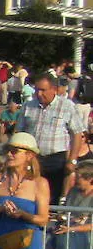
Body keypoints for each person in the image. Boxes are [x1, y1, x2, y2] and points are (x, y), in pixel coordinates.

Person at [19, 71, 85, 202]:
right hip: (32, 158)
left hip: (56, 159)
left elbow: (77, 134)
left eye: (43, 90)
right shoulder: (28, 106)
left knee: (52, 196)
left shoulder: (67, 106)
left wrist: (72, 160)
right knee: (31, 194)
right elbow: (19, 132)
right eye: (37, 89)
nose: (39, 93)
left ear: (54, 89)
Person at [53, 163, 93, 249]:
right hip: (69, 227)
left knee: (72, 239)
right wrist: (60, 218)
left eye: (79, 177)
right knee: (50, 237)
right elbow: (65, 212)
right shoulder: (73, 191)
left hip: (85, 231)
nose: (75, 181)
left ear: (90, 179)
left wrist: (71, 228)